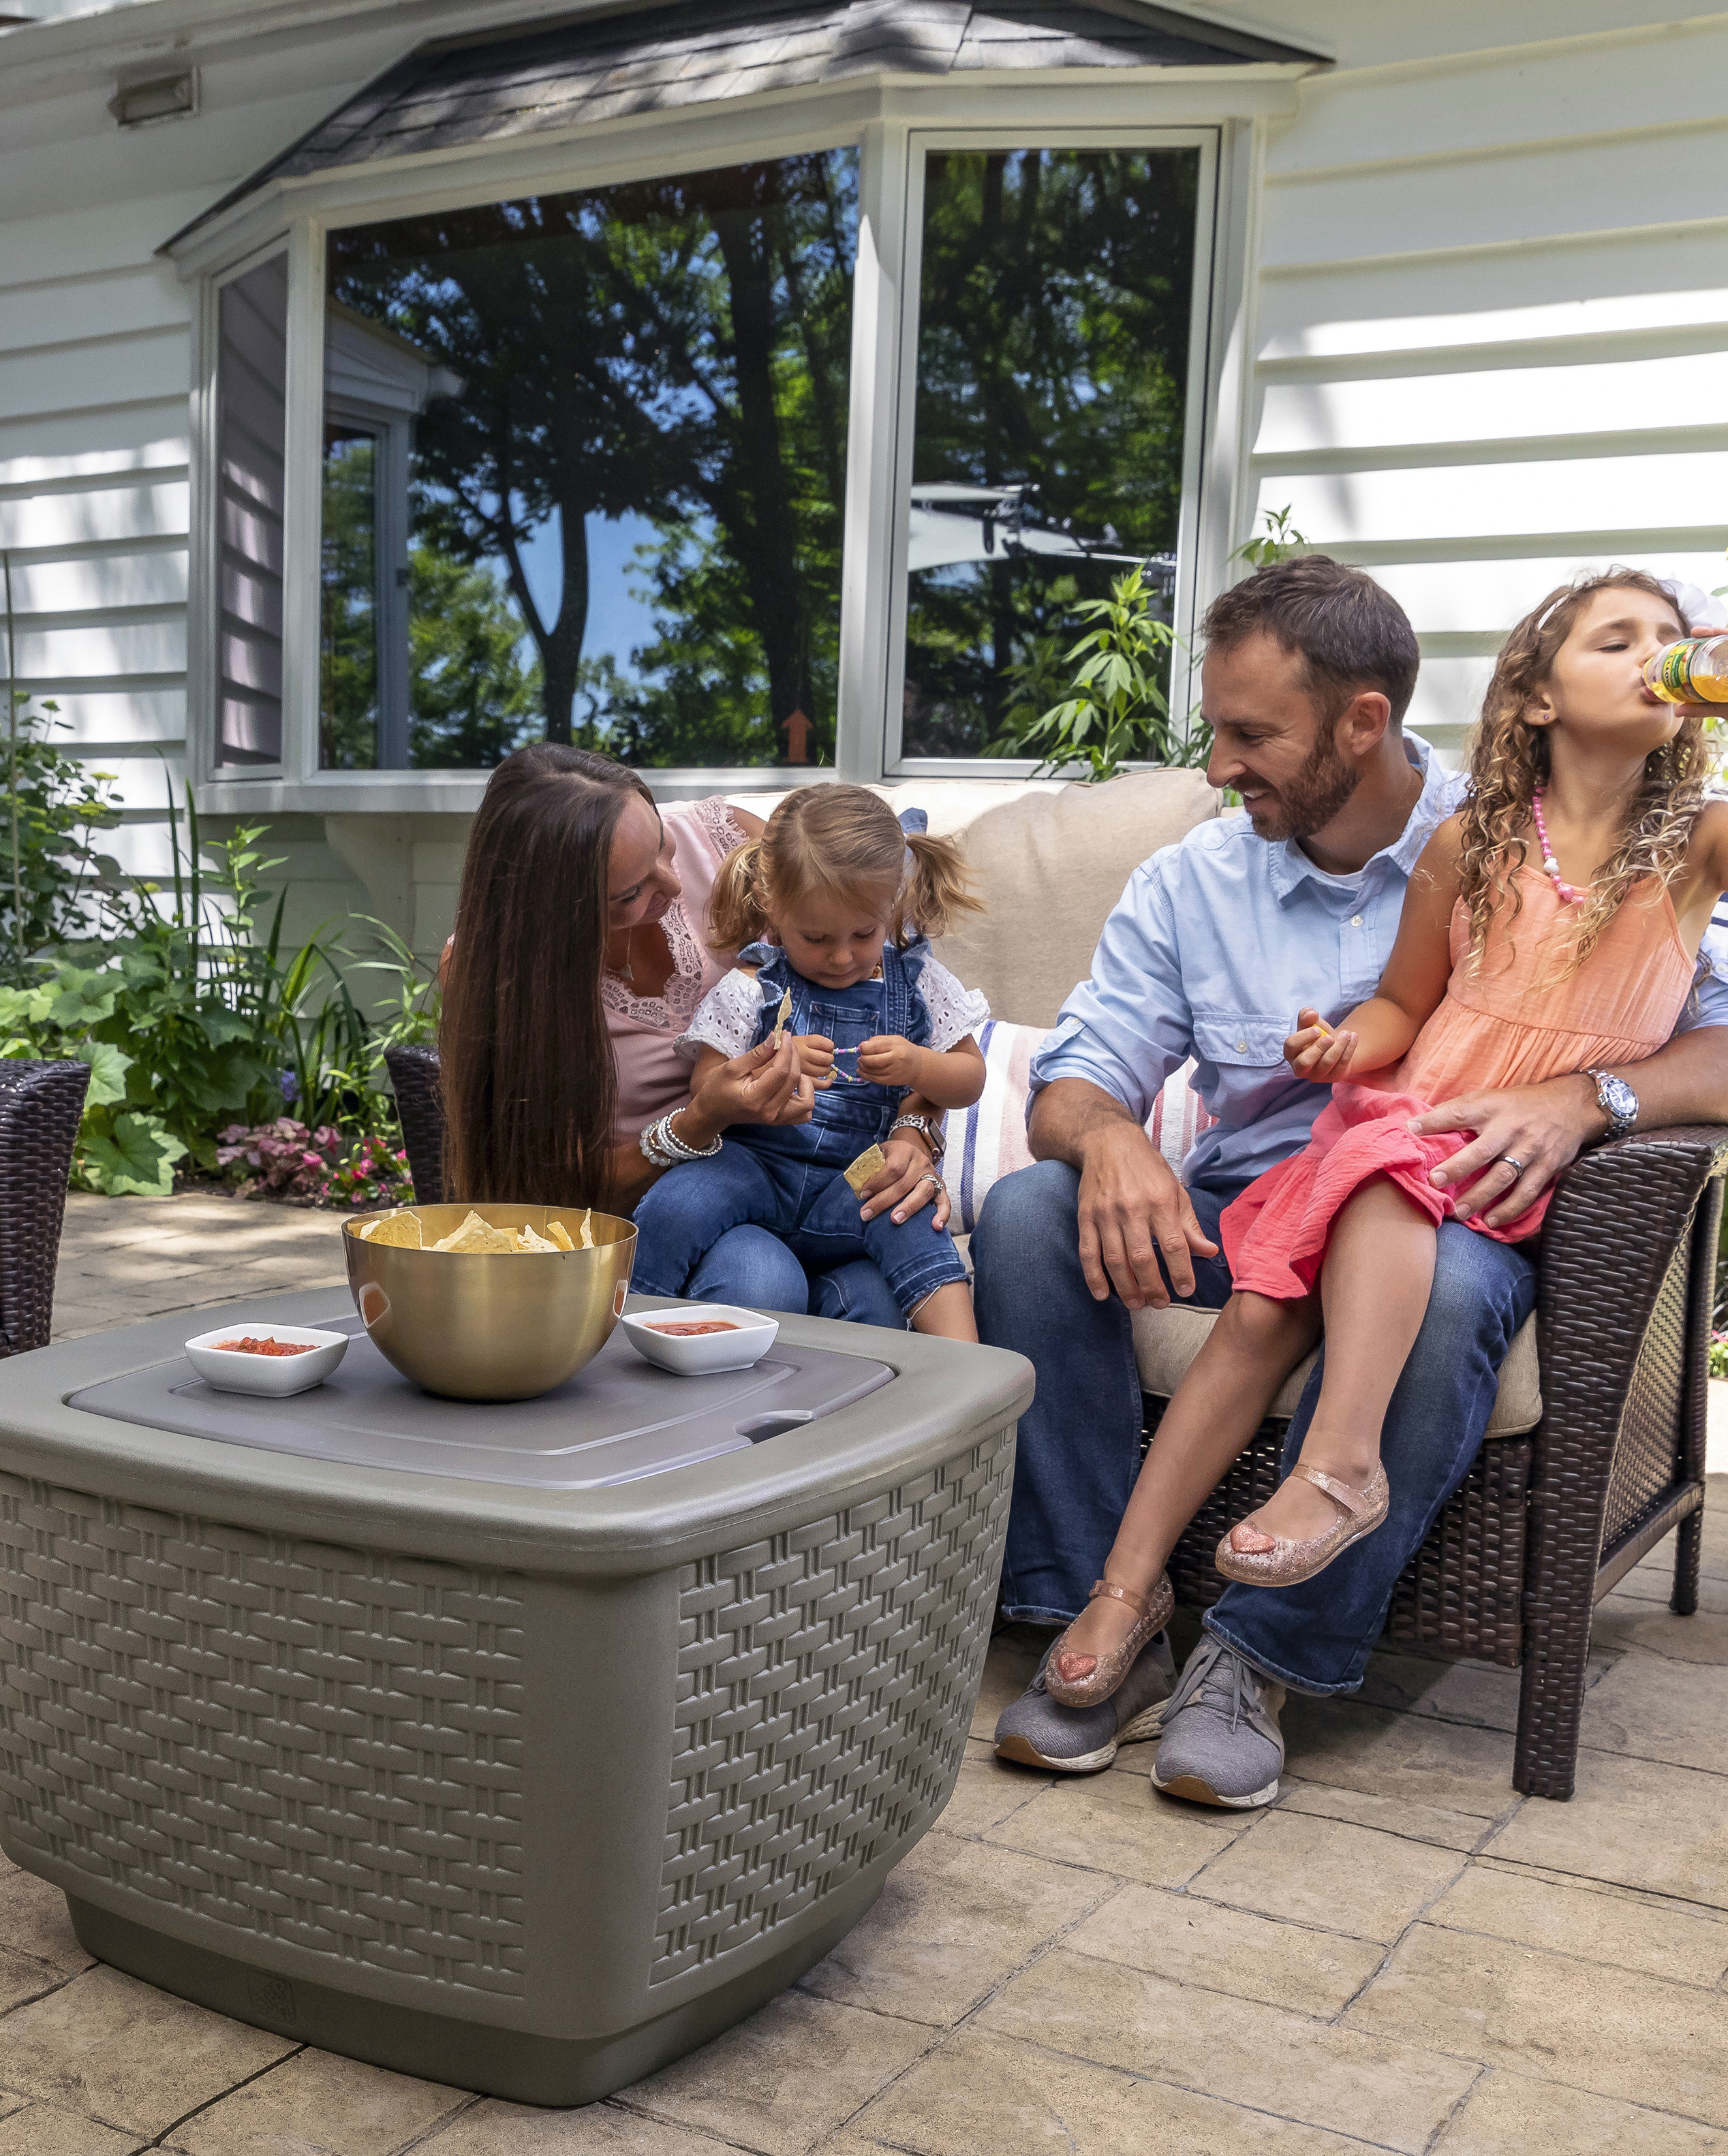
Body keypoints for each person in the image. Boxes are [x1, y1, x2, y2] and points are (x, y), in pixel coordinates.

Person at [974, 554, 1728, 1811]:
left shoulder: (1560, 835)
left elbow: (1712, 1036)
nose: (1217, 770)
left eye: (1249, 735)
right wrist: (1110, 1143)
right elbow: (1078, 1075)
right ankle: (1107, 1606)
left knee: (1431, 1285)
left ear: (1362, 722)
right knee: (1030, 1211)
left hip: (1459, 1199)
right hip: (1265, 1198)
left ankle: (1262, 1658)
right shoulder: (1198, 881)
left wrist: (1583, 1099)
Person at [439, 743, 948, 1317]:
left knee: (876, 1298)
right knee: (760, 1281)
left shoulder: (732, 845)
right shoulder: (495, 975)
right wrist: (702, 1119)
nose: (674, 885)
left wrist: (912, 1134)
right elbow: (545, 1192)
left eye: (661, 844)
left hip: (822, 1176)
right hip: (663, 1210)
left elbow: (914, 1012)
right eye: (631, 893)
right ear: (557, 912)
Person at [629, 783, 985, 1337]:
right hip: (756, 1167)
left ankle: (968, 1374)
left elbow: (968, 1078)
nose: (842, 956)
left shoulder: (918, 984)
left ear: (891, 904)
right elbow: (707, 1084)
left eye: (863, 934)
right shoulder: (752, 984)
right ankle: (624, 1322)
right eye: (816, 938)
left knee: (907, 1206)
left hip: (855, 1172)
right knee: (679, 1200)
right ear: (773, 908)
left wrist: (919, 1066)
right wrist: (768, 1066)